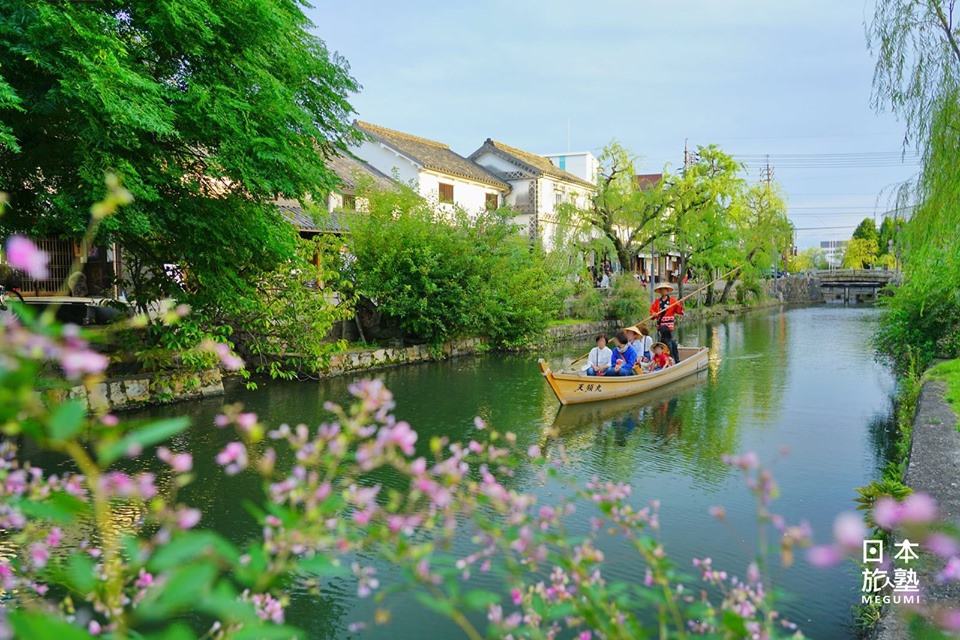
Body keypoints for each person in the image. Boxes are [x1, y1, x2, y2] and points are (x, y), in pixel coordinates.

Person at [650, 282, 683, 363]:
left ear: (667, 291)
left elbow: (679, 311)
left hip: (669, 327)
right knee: (662, 343)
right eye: (662, 290)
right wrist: (653, 314)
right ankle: (662, 360)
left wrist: (681, 305)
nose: (663, 291)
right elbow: (652, 311)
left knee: (671, 343)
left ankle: (673, 359)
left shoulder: (673, 301)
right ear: (660, 291)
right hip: (661, 326)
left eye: (665, 290)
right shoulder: (657, 302)